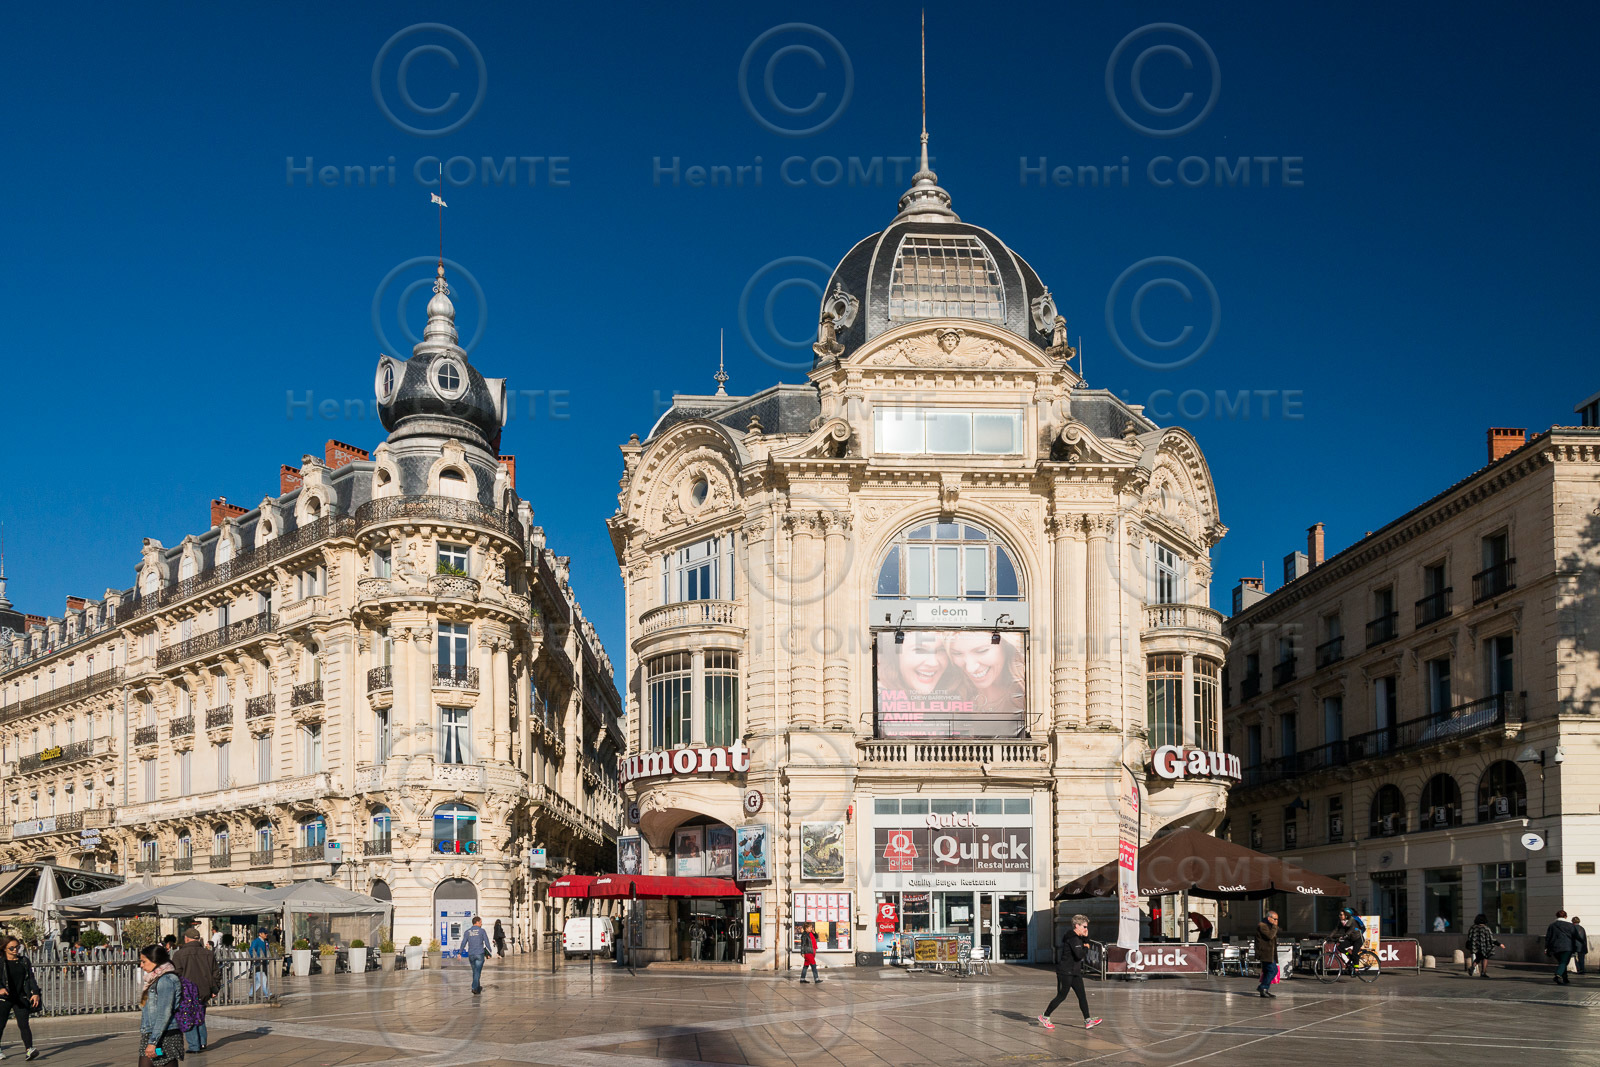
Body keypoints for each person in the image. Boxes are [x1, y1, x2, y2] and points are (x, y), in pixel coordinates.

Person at [1038, 914, 1101, 1031]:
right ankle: (1045, 1016)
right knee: (1061, 996)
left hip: (1075, 971)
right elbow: (1079, 955)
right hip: (1065, 972)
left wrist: (1086, 940)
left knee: (1082, 996)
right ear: (1077, 926)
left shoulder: (1078, 937)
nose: (1086, 929)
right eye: (1084, 927)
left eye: (1087, 927)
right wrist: (1086, 947)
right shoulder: (1072, 938)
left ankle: (1088, 1020)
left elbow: (1084, 942)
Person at [137, 943, 183, 1067]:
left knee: (166, 1062)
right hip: (153, 1033)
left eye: (144, 961)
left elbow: (164, 1013)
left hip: (164, 1035)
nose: (141, 965)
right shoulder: (155, 979)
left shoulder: (165, 980)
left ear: (155, 961)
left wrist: (153, 1042)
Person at [172, 925, 216, 1053]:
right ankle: (202, 1043)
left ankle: (194, 1046)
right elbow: (215, 973)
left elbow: (176, 974)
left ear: (186, 939)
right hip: (204, 990)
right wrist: (214, 989)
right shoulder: (208, 953)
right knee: (200, 1015)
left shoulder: (179, 954)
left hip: (187, 991)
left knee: (188, 1016)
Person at [0, 936, 41, 1061]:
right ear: (4, 948)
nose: (15, 950)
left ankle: (29, 1049)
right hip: (4, 997)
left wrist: (35, 992)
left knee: (24, 1024)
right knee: (1, 1024)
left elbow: (30, 978)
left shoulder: (24, 961)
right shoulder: (1, 962)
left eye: (18, 947)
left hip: (21, 996)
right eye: (11, 948)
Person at [1466, 913, 1503, 978]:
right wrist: (1499, 944)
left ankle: (1472, 967)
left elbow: (1469, 937)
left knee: (1478, 958)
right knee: (1485, 958)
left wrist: (1471, 944)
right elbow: (1491, 939)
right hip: (1484, 947)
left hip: (1476, 946)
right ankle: (1483, 972)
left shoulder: (1473, 928)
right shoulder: (1486, 928)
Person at [1547, 910, 1579, 984]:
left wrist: (1547, 948)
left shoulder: (1552, 925)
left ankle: (1565, 979)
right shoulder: (1570, 925)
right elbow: (1576, 935)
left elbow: (1548, 937)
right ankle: (1557, 975)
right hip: (1567, 947)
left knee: (1562, 962)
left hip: (1555, 947)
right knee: (1564, 962)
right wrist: (1581, 942)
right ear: (1565, 917)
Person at [1330, 908, 1367, 973]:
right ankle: (1349, 956)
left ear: (1346, 915)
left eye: (1341, 914)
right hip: (1350, 939)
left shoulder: (1352, 920)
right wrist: (1329, 937)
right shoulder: (1342, 921)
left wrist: (1345, 936)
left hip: (1358, 939)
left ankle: (1356, 969)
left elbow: (1351, 930)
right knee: (1340, 947)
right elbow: (1336, 929)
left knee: (1354, 953)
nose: (1339, 916)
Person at [461, 916, 491, 995]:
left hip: (471, 954)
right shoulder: (482, 931)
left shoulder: (467, 932)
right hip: (479, 954)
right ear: (477, 922)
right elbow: (486, 942)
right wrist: (489, 952)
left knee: (475, 971)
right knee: (477, 972)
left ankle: (477, 988)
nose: (481, 924)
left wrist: (459, 952)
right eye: (481, 922)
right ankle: (474, 987)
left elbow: (463, 942)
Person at [1255, 910, 1280, 998]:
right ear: (1269, 918)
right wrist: (1275, 927)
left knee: (1267, 971)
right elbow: (1270, 936)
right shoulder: (1262, 926)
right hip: (1265, 953)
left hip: (1270, 953)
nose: (1276, 921)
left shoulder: (1269, 926)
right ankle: (1263, 987)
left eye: (1277, 919)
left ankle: (1265, 990)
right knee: (1273, 970)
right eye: (1275, 919)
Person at [249, 928, 271, 998]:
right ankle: (268, 994)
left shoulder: (265, 942)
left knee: (258, 981)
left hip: (263, 962)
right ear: (260, 934)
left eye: (266, 933)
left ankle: (251, 993)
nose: (266, 935)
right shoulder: (256, 941)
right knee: (263, 978)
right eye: (265, 933)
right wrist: (256, 958)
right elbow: (251, 951)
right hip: (257, 962)